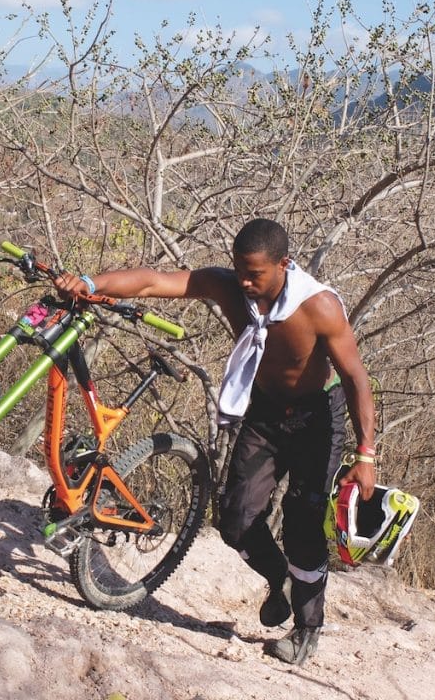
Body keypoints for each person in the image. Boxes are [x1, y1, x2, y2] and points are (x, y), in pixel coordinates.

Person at [54, 218, 377, 666]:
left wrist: (366, 454)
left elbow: (356, 377)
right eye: (238, 270)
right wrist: (90, 282)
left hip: (317, 418)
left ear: (284, 264)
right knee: (235, 519)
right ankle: (279, 576)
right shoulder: (230, 288)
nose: (244, 281)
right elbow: (151, 282)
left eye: (254, 273)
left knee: (303, 525)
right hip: (265, 411)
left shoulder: (318, 306)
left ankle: (307, 628)